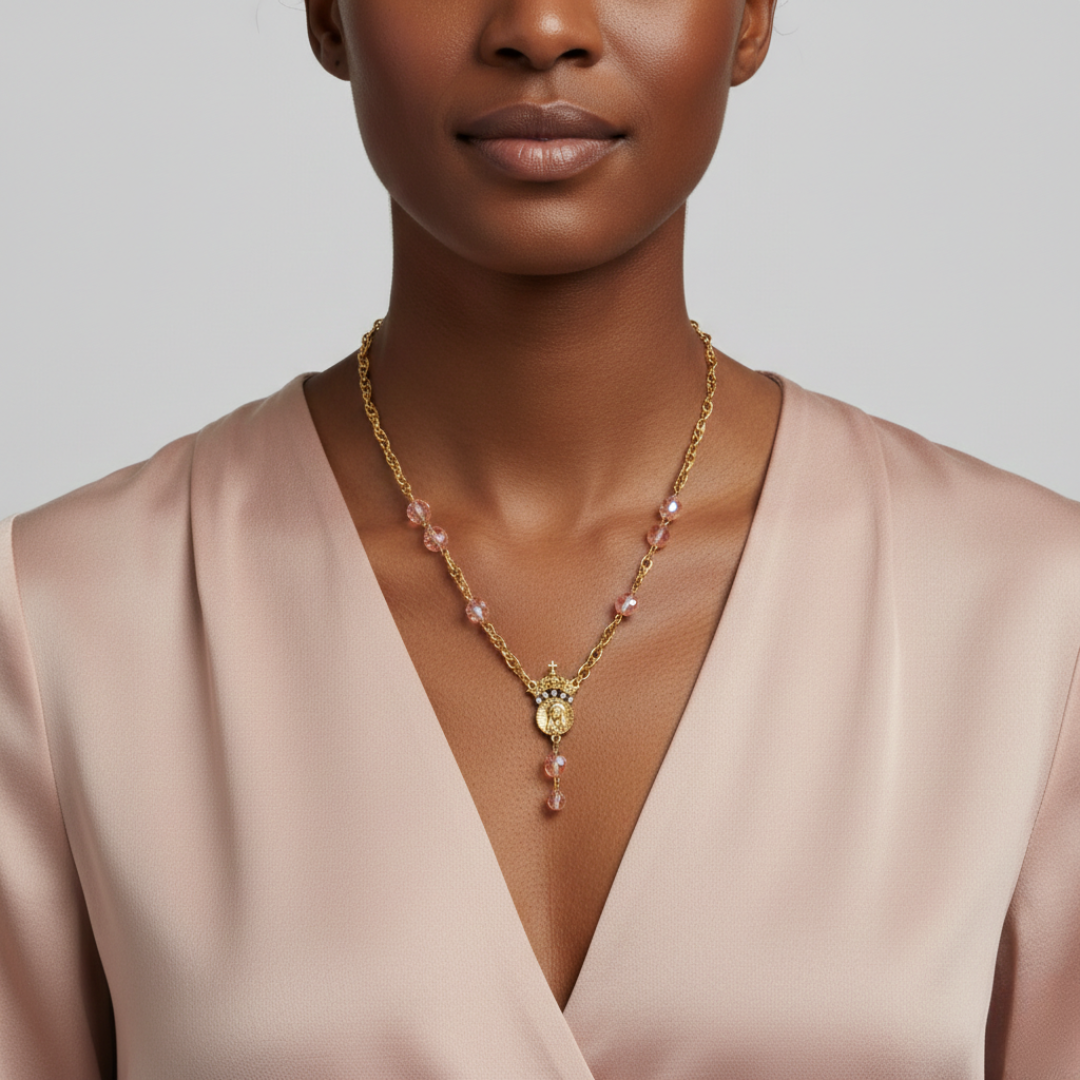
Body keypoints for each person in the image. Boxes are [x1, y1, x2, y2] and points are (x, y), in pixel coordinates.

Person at [0, 0, 1077, 1076]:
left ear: (751, 17)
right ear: (329, 17)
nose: (543, 25)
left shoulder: (1031, 614)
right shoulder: (62, 625)